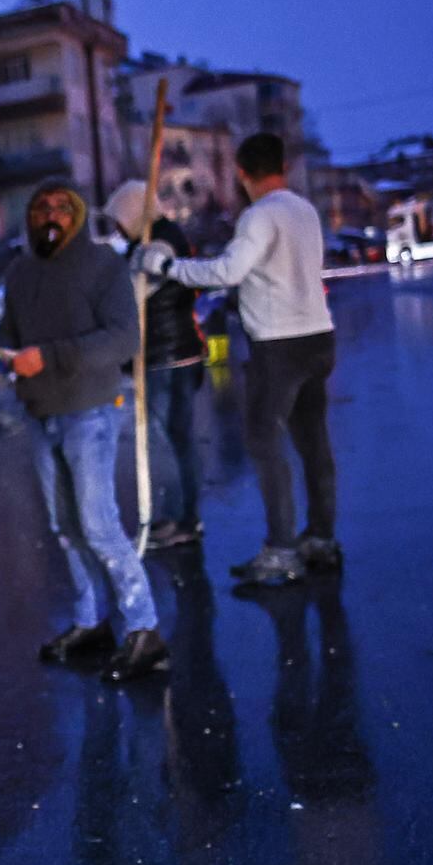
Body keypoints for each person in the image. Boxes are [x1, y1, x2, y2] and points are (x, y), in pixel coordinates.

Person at [134, 133, 339, 587]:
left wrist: (166, 268)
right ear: (282, 166)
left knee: (265, 443)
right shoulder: (303, 210)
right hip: (318, 336)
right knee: (313, 442)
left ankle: (282, 549)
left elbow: (226, 272)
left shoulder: (259, 216)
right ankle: (321, 538)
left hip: (278, 344)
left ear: (243, 174)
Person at [0, 180, 169, 682]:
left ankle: (144, 628)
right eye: (39, 208)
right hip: (40, 411)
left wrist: (49, 357)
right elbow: (9, 330)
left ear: (77, 215)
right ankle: (91, 620)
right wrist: (5, 354)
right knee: (64, 527)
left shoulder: (102, 267)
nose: (50, 216)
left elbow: (123, 339)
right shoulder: (20, 272)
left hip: (89, 409)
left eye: (61, 208)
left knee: (97, 524)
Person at [103, 179, 206, 549]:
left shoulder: (162, 241)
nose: (116, 228)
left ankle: (186, 518)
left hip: (170, 356)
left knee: (175, 440)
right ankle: (178, 514)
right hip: (163, 355)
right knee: (169, 440)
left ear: (133, 212)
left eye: (119, 219)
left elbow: (135, 295)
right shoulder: (143, 243)